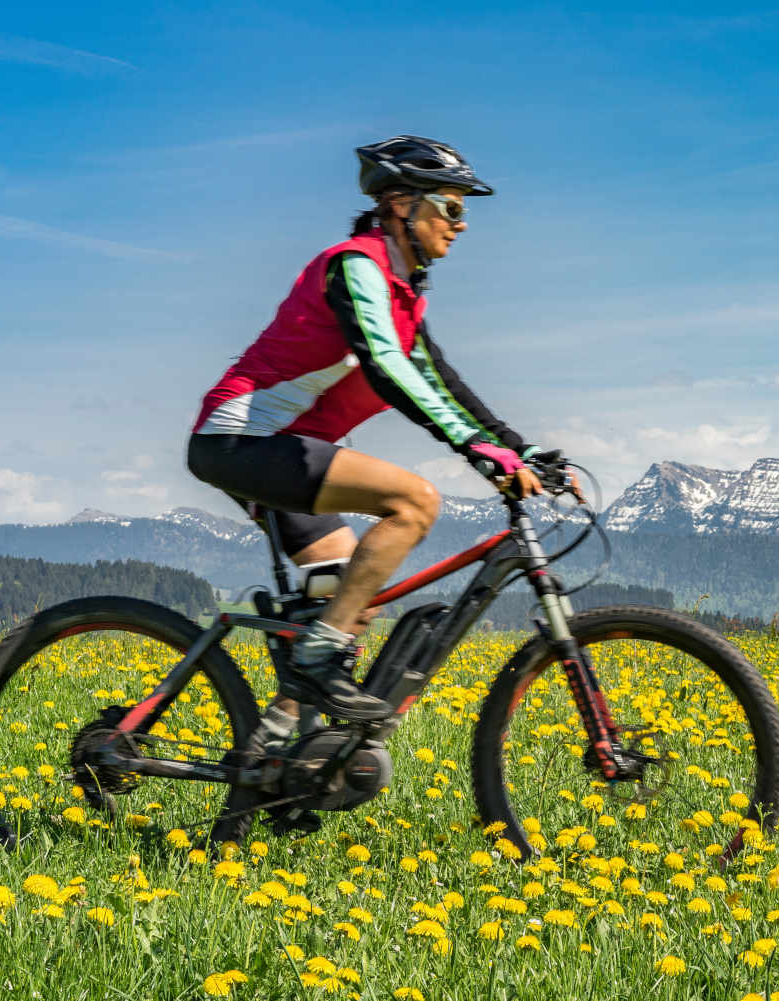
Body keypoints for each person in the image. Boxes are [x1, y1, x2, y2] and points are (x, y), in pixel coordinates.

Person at [187, 135, 559, 725]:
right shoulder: (357, 266)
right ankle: (313, 667)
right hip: (239, 441)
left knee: (348, 599)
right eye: (453, 207)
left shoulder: (402, 294)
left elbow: (442, 382)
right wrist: (475, 449)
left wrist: (517, 448)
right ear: (400, 205)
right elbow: (388, 368)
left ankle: (280, 747)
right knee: (414, 502)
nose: (461, 225)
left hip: (282, 449)